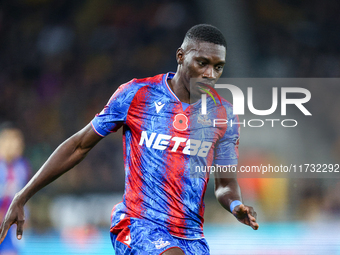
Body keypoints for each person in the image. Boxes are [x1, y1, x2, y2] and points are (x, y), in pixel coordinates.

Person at [0, 24, 258, 254]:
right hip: (138, 226)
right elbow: (79, 145)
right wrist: (22, 195)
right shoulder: (138, 94)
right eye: (202, 63)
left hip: (191, 237)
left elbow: (224, 185)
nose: (210, 74)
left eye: (218, 67)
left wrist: (236, 204)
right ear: (180, 56)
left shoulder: (223, 115)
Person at [0, 124, 30, 255]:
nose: (19, 147)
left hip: (10, 225)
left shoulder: (23, 167)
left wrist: (25, 216)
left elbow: (24, 195)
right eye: (16, 143)